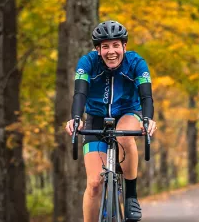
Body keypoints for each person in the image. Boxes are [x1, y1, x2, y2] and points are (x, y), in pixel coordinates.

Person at [65, 20, 157, 222]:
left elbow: (146, 96)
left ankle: (131, 196)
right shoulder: (87, 63)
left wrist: (148, 119)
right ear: (98, 49)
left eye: (116, 45)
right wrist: (76, 118)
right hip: (96, 119)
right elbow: (80, 93)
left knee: (124, 136)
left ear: (124, 46)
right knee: (94, 184)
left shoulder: (136, 63)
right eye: (105, 46)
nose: (111, 51)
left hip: (129, 113)